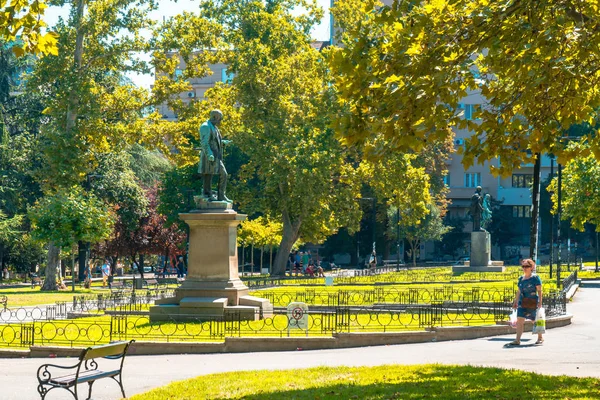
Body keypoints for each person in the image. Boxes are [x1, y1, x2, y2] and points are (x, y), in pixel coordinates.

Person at [508, 258, 544, 346]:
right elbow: (519, 291)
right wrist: (515, 301)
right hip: (522, 302)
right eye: (523, 266)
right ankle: (517, 340)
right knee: (520, 321)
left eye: (526, 266)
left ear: (531, 267)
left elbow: (539, 290)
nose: (524, 268)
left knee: (534, 320)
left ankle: (540, 337)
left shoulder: (535, 278)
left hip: (532, 302)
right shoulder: (521, 278)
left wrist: (540, 302)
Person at [198, 109, 231, 202]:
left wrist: (223, 142)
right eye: (220, 119)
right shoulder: (205, 126)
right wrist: (209, 154)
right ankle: (207, 194)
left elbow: (214, 140)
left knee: (220, 174)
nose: (220, 121)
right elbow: (204, 143)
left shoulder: (214, 127)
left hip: (216, 156)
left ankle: (221, 195)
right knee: (209, 175)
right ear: (215, 117)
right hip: (209, 156)